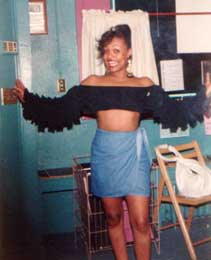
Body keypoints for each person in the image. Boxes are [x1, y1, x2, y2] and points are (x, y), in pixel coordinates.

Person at [14, 24, 211, 260]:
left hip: (134, 155)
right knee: (113, 217)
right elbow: (60, 109)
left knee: (140, 221)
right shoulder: (92, 83)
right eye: (106, 51)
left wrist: (204, 95)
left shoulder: (144, 85)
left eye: (116, 51)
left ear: (129, 52)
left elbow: (174, 111)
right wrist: (30, 99)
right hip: (105, 153)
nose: (109, 57)